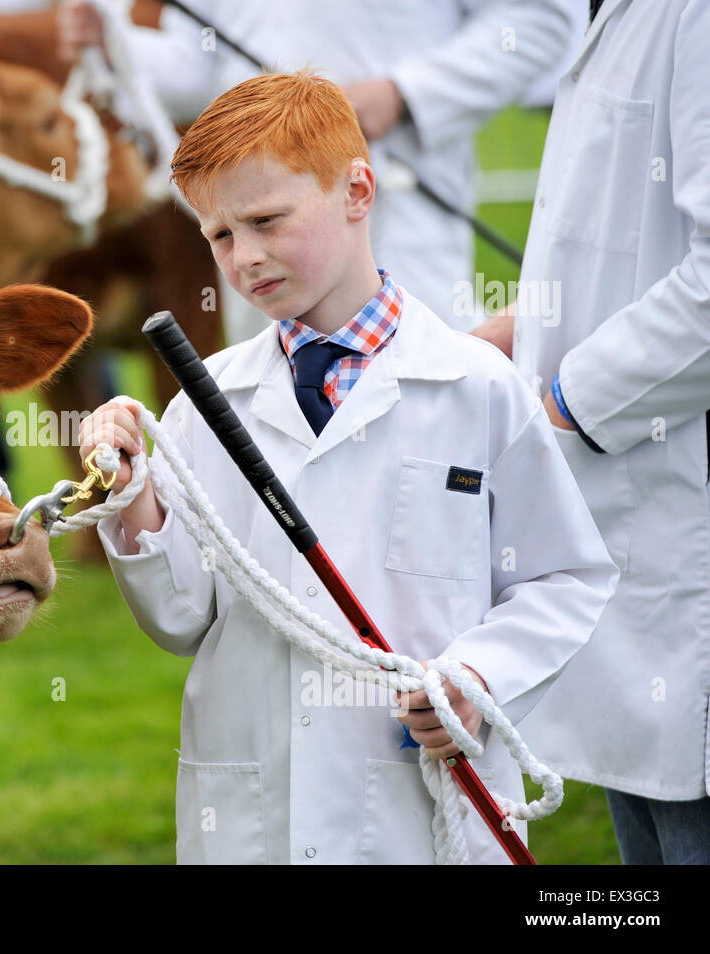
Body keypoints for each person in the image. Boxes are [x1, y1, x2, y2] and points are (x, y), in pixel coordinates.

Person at [78, 70, 617, 864]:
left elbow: (565, 576)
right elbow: (181, 618)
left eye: (266, 220)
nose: (246, 258)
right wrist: (133, 502)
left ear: (357, 190)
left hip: (421, 806)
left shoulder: (476, 386)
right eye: (220, 236)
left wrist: (477, 676)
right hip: (256, 814)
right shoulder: (205, 405)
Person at [472, 0, 710, 865]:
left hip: (681, 538)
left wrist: (562, 402)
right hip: (626, 551)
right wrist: (488, 351)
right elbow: (612, 257)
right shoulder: (616, 13)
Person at [59, 0, 574, 340]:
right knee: (276, 429)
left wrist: (403, 94)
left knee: (423, 412)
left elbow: (536, 22)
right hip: (252, 225)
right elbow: (201, 66)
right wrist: (115, 47)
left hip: (401, 206)